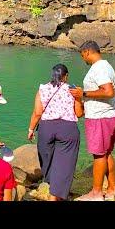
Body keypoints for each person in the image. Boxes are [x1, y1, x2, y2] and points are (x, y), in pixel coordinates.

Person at [70, 40, 115, 201]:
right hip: (109, 115)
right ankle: (112, 188)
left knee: (99, 155)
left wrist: (83, 94)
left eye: (82, 55)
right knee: (106, 153)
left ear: (87, 52)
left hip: (100, 117)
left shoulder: (99, 68)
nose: (83, 59)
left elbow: (108, 91)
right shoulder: (106, 66)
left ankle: (96, 193)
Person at [28, 64, 84, 201]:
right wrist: (80, 101)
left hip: (46, 128)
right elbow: (79, 113)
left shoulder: (43, 88)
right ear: (66, 76)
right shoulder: (73, 90)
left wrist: (31, 129)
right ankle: (56, 194)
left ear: (52, 75)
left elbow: (37, 113)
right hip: (67, 129)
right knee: (65, 163)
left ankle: (52, 187)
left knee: (48, 160)